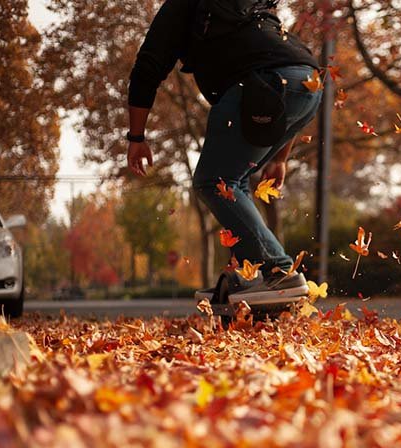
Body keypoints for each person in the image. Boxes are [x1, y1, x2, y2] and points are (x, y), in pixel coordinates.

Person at [126, 0, 321, 304]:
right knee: (233, 182)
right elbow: (286, 73)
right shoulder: (243, 6)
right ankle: (250, 278)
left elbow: (147, 67)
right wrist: (280, 159)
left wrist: (136, 136)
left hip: (260, 85)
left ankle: (280, 271)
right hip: (309, 83)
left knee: (213, 180)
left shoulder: (182, 6)